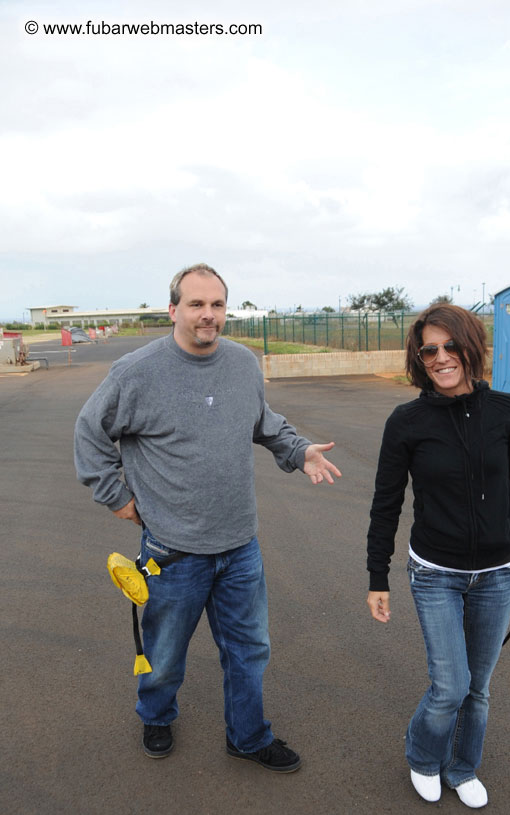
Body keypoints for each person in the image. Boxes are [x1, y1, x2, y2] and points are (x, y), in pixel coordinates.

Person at [75, 263, 340, 770]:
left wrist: (299, 450)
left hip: (240, 546)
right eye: (196, 304)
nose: (208, 314)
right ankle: (156, 714)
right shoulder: (136, 372)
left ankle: (248, 736)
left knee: (249, 650)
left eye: (217, 304)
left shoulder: (242, 363)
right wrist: (117, 497)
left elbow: (264, 422)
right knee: (164, 653)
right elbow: (90, 432)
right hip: (173, 551)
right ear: (173, 310)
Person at [366, 303, 510, 808]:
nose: (440, 358)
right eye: (429, 350)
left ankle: (462, 768)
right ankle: (424, 756)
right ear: (419, 359)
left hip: (497, 574)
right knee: (450, 686)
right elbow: (386, 504)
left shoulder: (506, 411)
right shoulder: (407, 422)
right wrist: (378, 577)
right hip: (435, 573)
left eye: (450, 346)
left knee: (478, 687)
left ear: (471, 347)